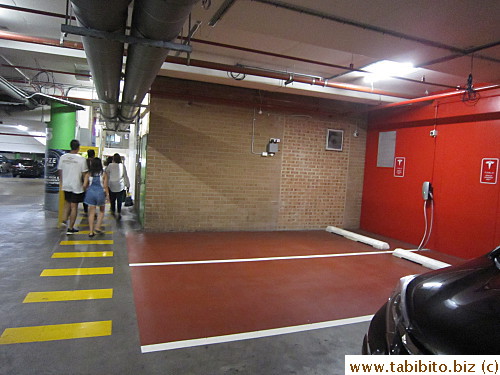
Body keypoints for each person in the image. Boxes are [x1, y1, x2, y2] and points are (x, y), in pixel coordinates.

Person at [57, 139, 88, 234]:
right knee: (74, 206)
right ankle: (70, 228)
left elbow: (59, 171)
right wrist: (85, 185)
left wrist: (62, 181)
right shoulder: (81, 159)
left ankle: (63, 220)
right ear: (78, 148)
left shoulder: (63, 157)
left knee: (67, 202)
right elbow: (84, 173)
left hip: (66, 184)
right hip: (76, 185)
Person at [83, 157, 109, 237]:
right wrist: (107, 195)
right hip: (100, 193)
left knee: (91, 213)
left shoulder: (88, 174)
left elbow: (84, 185)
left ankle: (91, 232)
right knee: (101, 211)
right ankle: (97, 227)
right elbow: (105, 186)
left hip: (90, 193)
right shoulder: (103, 174)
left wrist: (86, 190)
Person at [105, 153, 130, 219]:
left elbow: (106, 173)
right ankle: (119, 212)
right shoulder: (122, 166)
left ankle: (113, 210)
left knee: (112, 199)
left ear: (113, 159)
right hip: (120, 186)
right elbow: (125, 176)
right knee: (119, 200)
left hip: (111, 185)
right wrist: (127, 185)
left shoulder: (110, 165)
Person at [82, 149, 96, 214]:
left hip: (85, 180)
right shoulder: (96, 161)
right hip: (94, 181)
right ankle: (92, 210)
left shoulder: (84, 161)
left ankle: (85, 209)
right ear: (94, 154)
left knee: (85, 195)